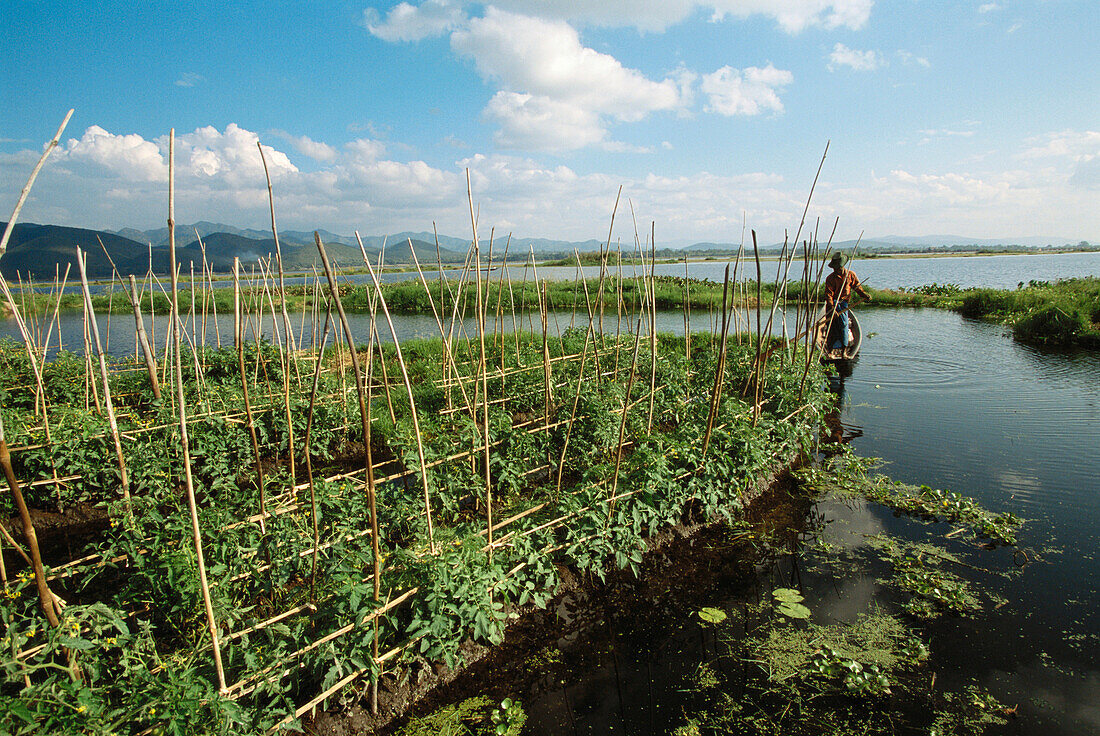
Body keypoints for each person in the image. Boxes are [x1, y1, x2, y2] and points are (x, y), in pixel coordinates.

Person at [823, 252, 871, 357]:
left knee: (844, 326)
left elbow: (857, 287)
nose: (835, 270)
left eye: (837, 268)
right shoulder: (830, 278)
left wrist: (864, 295)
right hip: (833, 305)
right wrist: (832, 309)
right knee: (831, 327)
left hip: (843, 304)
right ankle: (830, 351)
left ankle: (844, 351)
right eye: (834, 268)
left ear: (842, 266)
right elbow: (829, 295)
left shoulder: (850, 275)